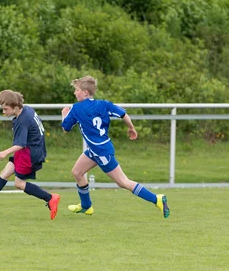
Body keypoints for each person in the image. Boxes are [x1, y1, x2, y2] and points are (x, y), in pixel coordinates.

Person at [61, 75, 169, 218]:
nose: (75, 93)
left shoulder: (76, 108)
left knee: (123, 182)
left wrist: (64, 114)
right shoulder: (104, 104)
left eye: (77, 90)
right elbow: (123, 113)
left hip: (101, 152)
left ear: (85, 92)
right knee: (77, 172)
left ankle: (157, 199)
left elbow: (65, 129)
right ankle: (86, 206)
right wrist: (131, 128)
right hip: (95, 150)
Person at [0, 90, 61, 219]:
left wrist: (5, 152)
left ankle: (50, 198)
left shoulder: (22, 121)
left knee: (19, 183)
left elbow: (20, 144)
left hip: (29, 153)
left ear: (15, 106)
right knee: (5, 173)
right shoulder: (26, 109)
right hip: (30, 150)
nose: (3, 112)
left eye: (5, 109)